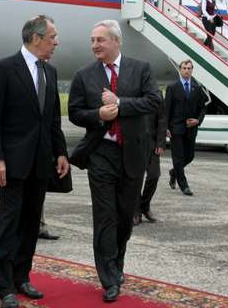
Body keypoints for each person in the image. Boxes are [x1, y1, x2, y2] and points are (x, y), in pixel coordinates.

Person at [68, 19, 160, 302]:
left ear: (116, 41)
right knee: (105, 216)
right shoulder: (84, 75)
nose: (95, 44)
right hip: (101, 154)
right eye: (92, 40)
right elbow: (74, 112)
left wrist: (120, 104)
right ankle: (108, 276)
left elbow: (154, 102)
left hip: (132, 154)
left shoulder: (140, 69)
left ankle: (116, 263)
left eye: (100, 40)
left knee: (124, 217)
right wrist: (98, 114)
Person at [0, 15, 69, 308]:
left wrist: (60, 152)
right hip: (11, 163)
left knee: (32, 223)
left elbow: (53, 120)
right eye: (52, 37)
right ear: (36, 38)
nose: (56, 43)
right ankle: (4, 286)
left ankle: (22, 276)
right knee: (10, 224)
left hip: (41, 163)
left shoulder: (50, 71)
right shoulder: (4, 68)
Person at [165, 60, 207, 196]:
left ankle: (174, 172)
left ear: (192, 70)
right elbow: (167, 110)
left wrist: (197, 120)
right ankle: (184, 186)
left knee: (189, 156)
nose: (187, 71)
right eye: (184, 68)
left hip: (191, 129)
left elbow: (203, 108)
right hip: (176, 128)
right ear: (180, 69)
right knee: (178, 158)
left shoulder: (197, 88)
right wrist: (166, 127)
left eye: (189, 68)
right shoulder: (172, 88)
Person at [133, 98, 167, 225]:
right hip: (134, 144)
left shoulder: (156, 94)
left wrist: (161, 143)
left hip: (152, 144)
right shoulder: (132, 90)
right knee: (136, 178)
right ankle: (136, 211)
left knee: (154, 175)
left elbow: (162, 120)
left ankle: (144, 206)